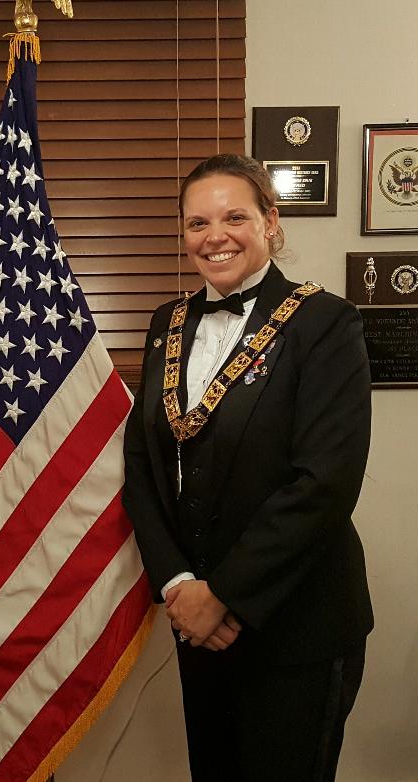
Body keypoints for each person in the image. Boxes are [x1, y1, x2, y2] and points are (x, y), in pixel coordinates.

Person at [123, 154, 373, 781]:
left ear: (270, 221)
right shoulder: (166, 323)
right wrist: (179, 584)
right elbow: (143, 463)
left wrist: (223, 595)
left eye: (235, 217)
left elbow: (324, 482)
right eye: (198, 223)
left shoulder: (325, 322)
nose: (216, 237)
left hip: (297, 624)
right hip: (197, 621)